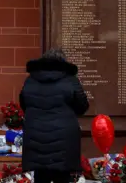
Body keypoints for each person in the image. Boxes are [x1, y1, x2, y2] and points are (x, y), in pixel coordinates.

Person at [20, 48, 89, 183]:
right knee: (63, 176)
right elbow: (82, 106)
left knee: (40, 175)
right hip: (64, 137)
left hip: (36, 135)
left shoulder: (30, 80)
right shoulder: (70, 80)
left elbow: (24, 104)